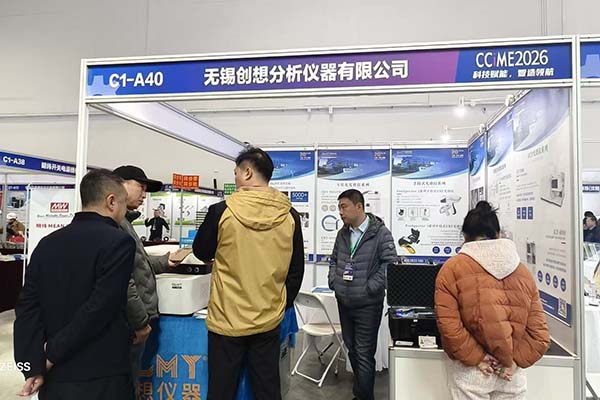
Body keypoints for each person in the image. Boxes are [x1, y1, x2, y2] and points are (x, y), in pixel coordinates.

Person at [193, 147, 304, 400]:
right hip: (268, 317)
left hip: (226, 318)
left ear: (247, 172)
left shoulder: (221, 211)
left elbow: (201, 251)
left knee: (221, 390)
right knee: (267, 389)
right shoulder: (290, 215)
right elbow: (296, 269)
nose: (235, 178)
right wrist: (280, 303)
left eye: (236, 173)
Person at [13, 169, 135, 400]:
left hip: (55, 377)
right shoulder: (118, 242)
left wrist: (33, 364)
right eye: (124, 205)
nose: (124, 212)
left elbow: (27, 306)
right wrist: (51, 355)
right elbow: (100, 308)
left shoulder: (47, 243)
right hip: (100, 372)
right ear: (111, 201)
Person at [435, 201, 550, 400]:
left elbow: (449, 326)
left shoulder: (452, 269)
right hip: (511, 374)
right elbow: (539, 334)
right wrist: (514, 362)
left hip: (471, 373)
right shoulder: (522, 272)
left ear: (465, 236)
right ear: (498, 234)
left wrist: (478, 358)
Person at [113, 165, 179, 392]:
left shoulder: (126, 223)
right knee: (125, 381)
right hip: (129, 323)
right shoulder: (116, 226)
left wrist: (166, 262)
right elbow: (124, 280)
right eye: (140, 187)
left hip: (135, 320)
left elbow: (137, 264)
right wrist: (140, 321)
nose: (144, 194)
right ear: (120, 185)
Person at [328, 189, 397, 400]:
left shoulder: (381, 234)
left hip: (368, 305)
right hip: (345, 302)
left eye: (344, 207)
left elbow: (389, 266)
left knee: (364, 354)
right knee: (352, 351)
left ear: (359, 206)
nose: (340, 212)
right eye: (339, 207)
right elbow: (334, 260)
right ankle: (359, 394)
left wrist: (369, 288)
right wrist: (334, 282)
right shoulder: (343, 234)